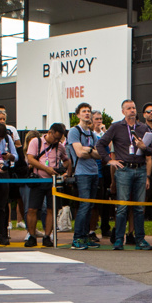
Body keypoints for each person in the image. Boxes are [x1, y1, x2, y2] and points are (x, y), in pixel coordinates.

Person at [96, 99, 152, 250]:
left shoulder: (143, 128)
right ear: (123, 111)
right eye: (128, 108)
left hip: (140, 168)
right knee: (122, 207)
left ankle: (140, 239)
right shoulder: (116, 127)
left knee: (139, 207)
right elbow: (100, 144)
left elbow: (151, 151)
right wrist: (109, 160)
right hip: (124, 169)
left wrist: (143, 146)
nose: (132, 110)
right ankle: (118, 239)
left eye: (133, 108)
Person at [67, 102, 103, 248]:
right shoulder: (74, 131)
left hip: (94, 172)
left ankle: (85, 236)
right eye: (84, 111)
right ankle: (77, 238)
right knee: (84, 205)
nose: (87, 113)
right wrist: (89, 151)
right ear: (78, 114)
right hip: (82, 173)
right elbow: (79, 153)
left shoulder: (92, 134)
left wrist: (88, 150)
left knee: (90, 206)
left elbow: (99, 154)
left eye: (88, 111)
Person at [24, 124, 66, 247]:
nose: (56, 141)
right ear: (50, 132)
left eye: (59, 139)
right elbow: (30, 159)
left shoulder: (60, 147)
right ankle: (32, 236)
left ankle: (47, 236)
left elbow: (67, 160)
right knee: (32, 209)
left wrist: (65, 171)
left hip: (53, 182)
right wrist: (46, 169)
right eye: (55, 138)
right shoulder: (36, 142)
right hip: (38, 180)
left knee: (51, 209)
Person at [0, 108, 19, 245]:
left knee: (2, 204)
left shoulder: (7, 137)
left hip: (4, 172)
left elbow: (16, 156)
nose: (2, 121)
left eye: (4, 120)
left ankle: (2, 234)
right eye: (0, 119)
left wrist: (9, 156)